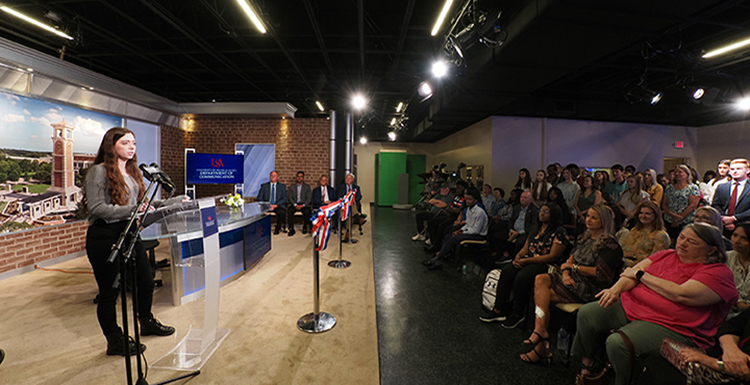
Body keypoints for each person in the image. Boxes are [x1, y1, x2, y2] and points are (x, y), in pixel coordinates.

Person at [574, 223, 738, 385]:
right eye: (681, 237)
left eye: (692, 242)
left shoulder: (718, 272)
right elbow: (629, 275)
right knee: (588, 313)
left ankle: (621, 380)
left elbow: (681, 294)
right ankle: (588, 366)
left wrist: (641, 275)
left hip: (673, 325)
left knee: (618, 343)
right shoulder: (665, 255)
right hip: (634, 305)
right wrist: (615, 290)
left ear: (711, 249)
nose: (682, 243)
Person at [85, 127, 184, 356]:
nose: (132, 147)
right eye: (125, 143)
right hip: (105, 237)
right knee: (110, 293)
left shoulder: (132, 173)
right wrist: (136, 210)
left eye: (134, 143)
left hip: (130, 233)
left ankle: (146, 321)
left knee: (146, 281)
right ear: (112, 145)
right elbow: (98, 209)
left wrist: (175, 202)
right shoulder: (98, 172)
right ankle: (114, 340)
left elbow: (146, 205)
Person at [519, 204, 624, 364]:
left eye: (593, 217)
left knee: (542, 296)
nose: (588, 220)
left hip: (590, 287)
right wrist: (567, 273)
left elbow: (600, 274)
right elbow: (569, 261)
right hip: (571, 280)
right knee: (540, 280)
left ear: (604, 221)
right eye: (588, 215)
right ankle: (540, 331)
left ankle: (541, 344)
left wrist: (572, 268)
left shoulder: (610, 245)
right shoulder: (584, 237)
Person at [479, 203, 569, 326]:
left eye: (546, 212)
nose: (541, 214)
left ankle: (518, 313)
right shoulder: (536, 229)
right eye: (541, 211)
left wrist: (526, 261)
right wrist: (518, 257)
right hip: (529, 259)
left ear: (554, 214)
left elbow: (552, 256)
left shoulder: (559, 232)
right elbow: (526, 247)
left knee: (522, 277)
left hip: (547, 265)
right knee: (507, 271)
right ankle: (498, 309)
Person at [422, 187, 488, 270]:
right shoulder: (469, 209)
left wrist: (462, 232)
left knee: (453, 238)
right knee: (448, 235)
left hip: (477, 235)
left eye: (470, 199)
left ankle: (436, 259)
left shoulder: (479, 212)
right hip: (470, 232)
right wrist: (460, 230)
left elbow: (476, 230)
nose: (467, 201)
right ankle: (440, 257)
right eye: (467, 199)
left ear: (475, 200)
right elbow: (468, 224)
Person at [619, 201, 670, 267]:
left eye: (647, 213)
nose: (643, 216)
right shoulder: (635, 230)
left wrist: (633, 255)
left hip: (640, 266)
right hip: (623, 260)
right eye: (641, 213)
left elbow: (655, 260)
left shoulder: (661, 236)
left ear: (656, 215)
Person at [663, 164, 701, 243]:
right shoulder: (669, 187)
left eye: (680, 172)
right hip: (669, 219)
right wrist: (673, 216)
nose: (677, 174)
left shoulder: (692, 187)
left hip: (686, 220)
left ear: (687, 174)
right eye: (676, 172)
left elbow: (692, 205)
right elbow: (664, 204)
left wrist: (679, 217)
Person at [426, 180, 467, 251]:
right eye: (457, 188)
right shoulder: (457, 197)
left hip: (455, 218)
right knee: (431, 222)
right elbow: (451, 207)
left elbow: (457, 210)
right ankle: (434, 243)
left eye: (459, 188)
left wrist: (449, 208)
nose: (457, 190)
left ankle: (440, 247)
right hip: (450, 215)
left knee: (442, 226)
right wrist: (451, 208)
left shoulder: (464, 198)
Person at [713, 159, 750, 235]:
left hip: (745, 225)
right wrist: (725, 219)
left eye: (739, 169)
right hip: (723, 225)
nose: (735, 171)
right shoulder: (722, 187)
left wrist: (734, 218)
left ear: (747, 170)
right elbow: (716, 205)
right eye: (732, 169)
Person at [727, 222, 750, 319]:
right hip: (727, 310)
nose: (736, 241)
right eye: (735, 235)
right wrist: (738, 302)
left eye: (743, 238)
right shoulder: (726, 257)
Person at [507, 191, 540, 255]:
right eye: (521, 197)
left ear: (530, 200)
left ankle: (516, 257)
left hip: (525, 231)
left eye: (525, 197)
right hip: (513, 230)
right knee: (498, 235)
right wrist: (511, 230)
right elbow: (511, 220)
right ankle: (505, 254)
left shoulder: (534, 210)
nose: (522, 199)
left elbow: (534, 226)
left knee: (519, 242)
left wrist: (518, 232)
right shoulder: (517, 207)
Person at [258, 170, 288, 234]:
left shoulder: (282, 186)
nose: (273, 177)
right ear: (270, 177)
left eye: (275, 176)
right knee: (260, 213)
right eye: (272, 176)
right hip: (266, 205)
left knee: (281, 212)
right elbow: (259, 197)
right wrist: (267, 205)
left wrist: (276, 205)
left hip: (277, 205)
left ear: (277, 177)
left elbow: (284, 198)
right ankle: (263, 229)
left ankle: (277, 228)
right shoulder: (264, 186)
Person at [338, 173, 365, 242]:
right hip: (344, 205)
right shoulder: (341, 187)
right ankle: (359, 218)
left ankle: (347, 231)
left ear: (353, 180)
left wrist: (353, 200)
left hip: (353, 204)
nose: (348, 179)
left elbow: (359, 196)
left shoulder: (356, 187)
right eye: (347, 178)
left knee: (350, 211)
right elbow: (339, 196)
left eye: (349, 178)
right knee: (350, 212)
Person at [287, 171, 312, 236]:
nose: (299, 178)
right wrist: (295, 205)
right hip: (295, 204)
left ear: (303, 178)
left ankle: (305, 227)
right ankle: (291, 229)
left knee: (307, 212)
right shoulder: (292, 187)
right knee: (289, 211)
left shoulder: (307, 187)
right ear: (296, 177)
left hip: (303, 204)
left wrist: (303, 205)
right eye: (298, 176)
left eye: (301, 176)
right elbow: (290, 197)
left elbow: (309, 198)